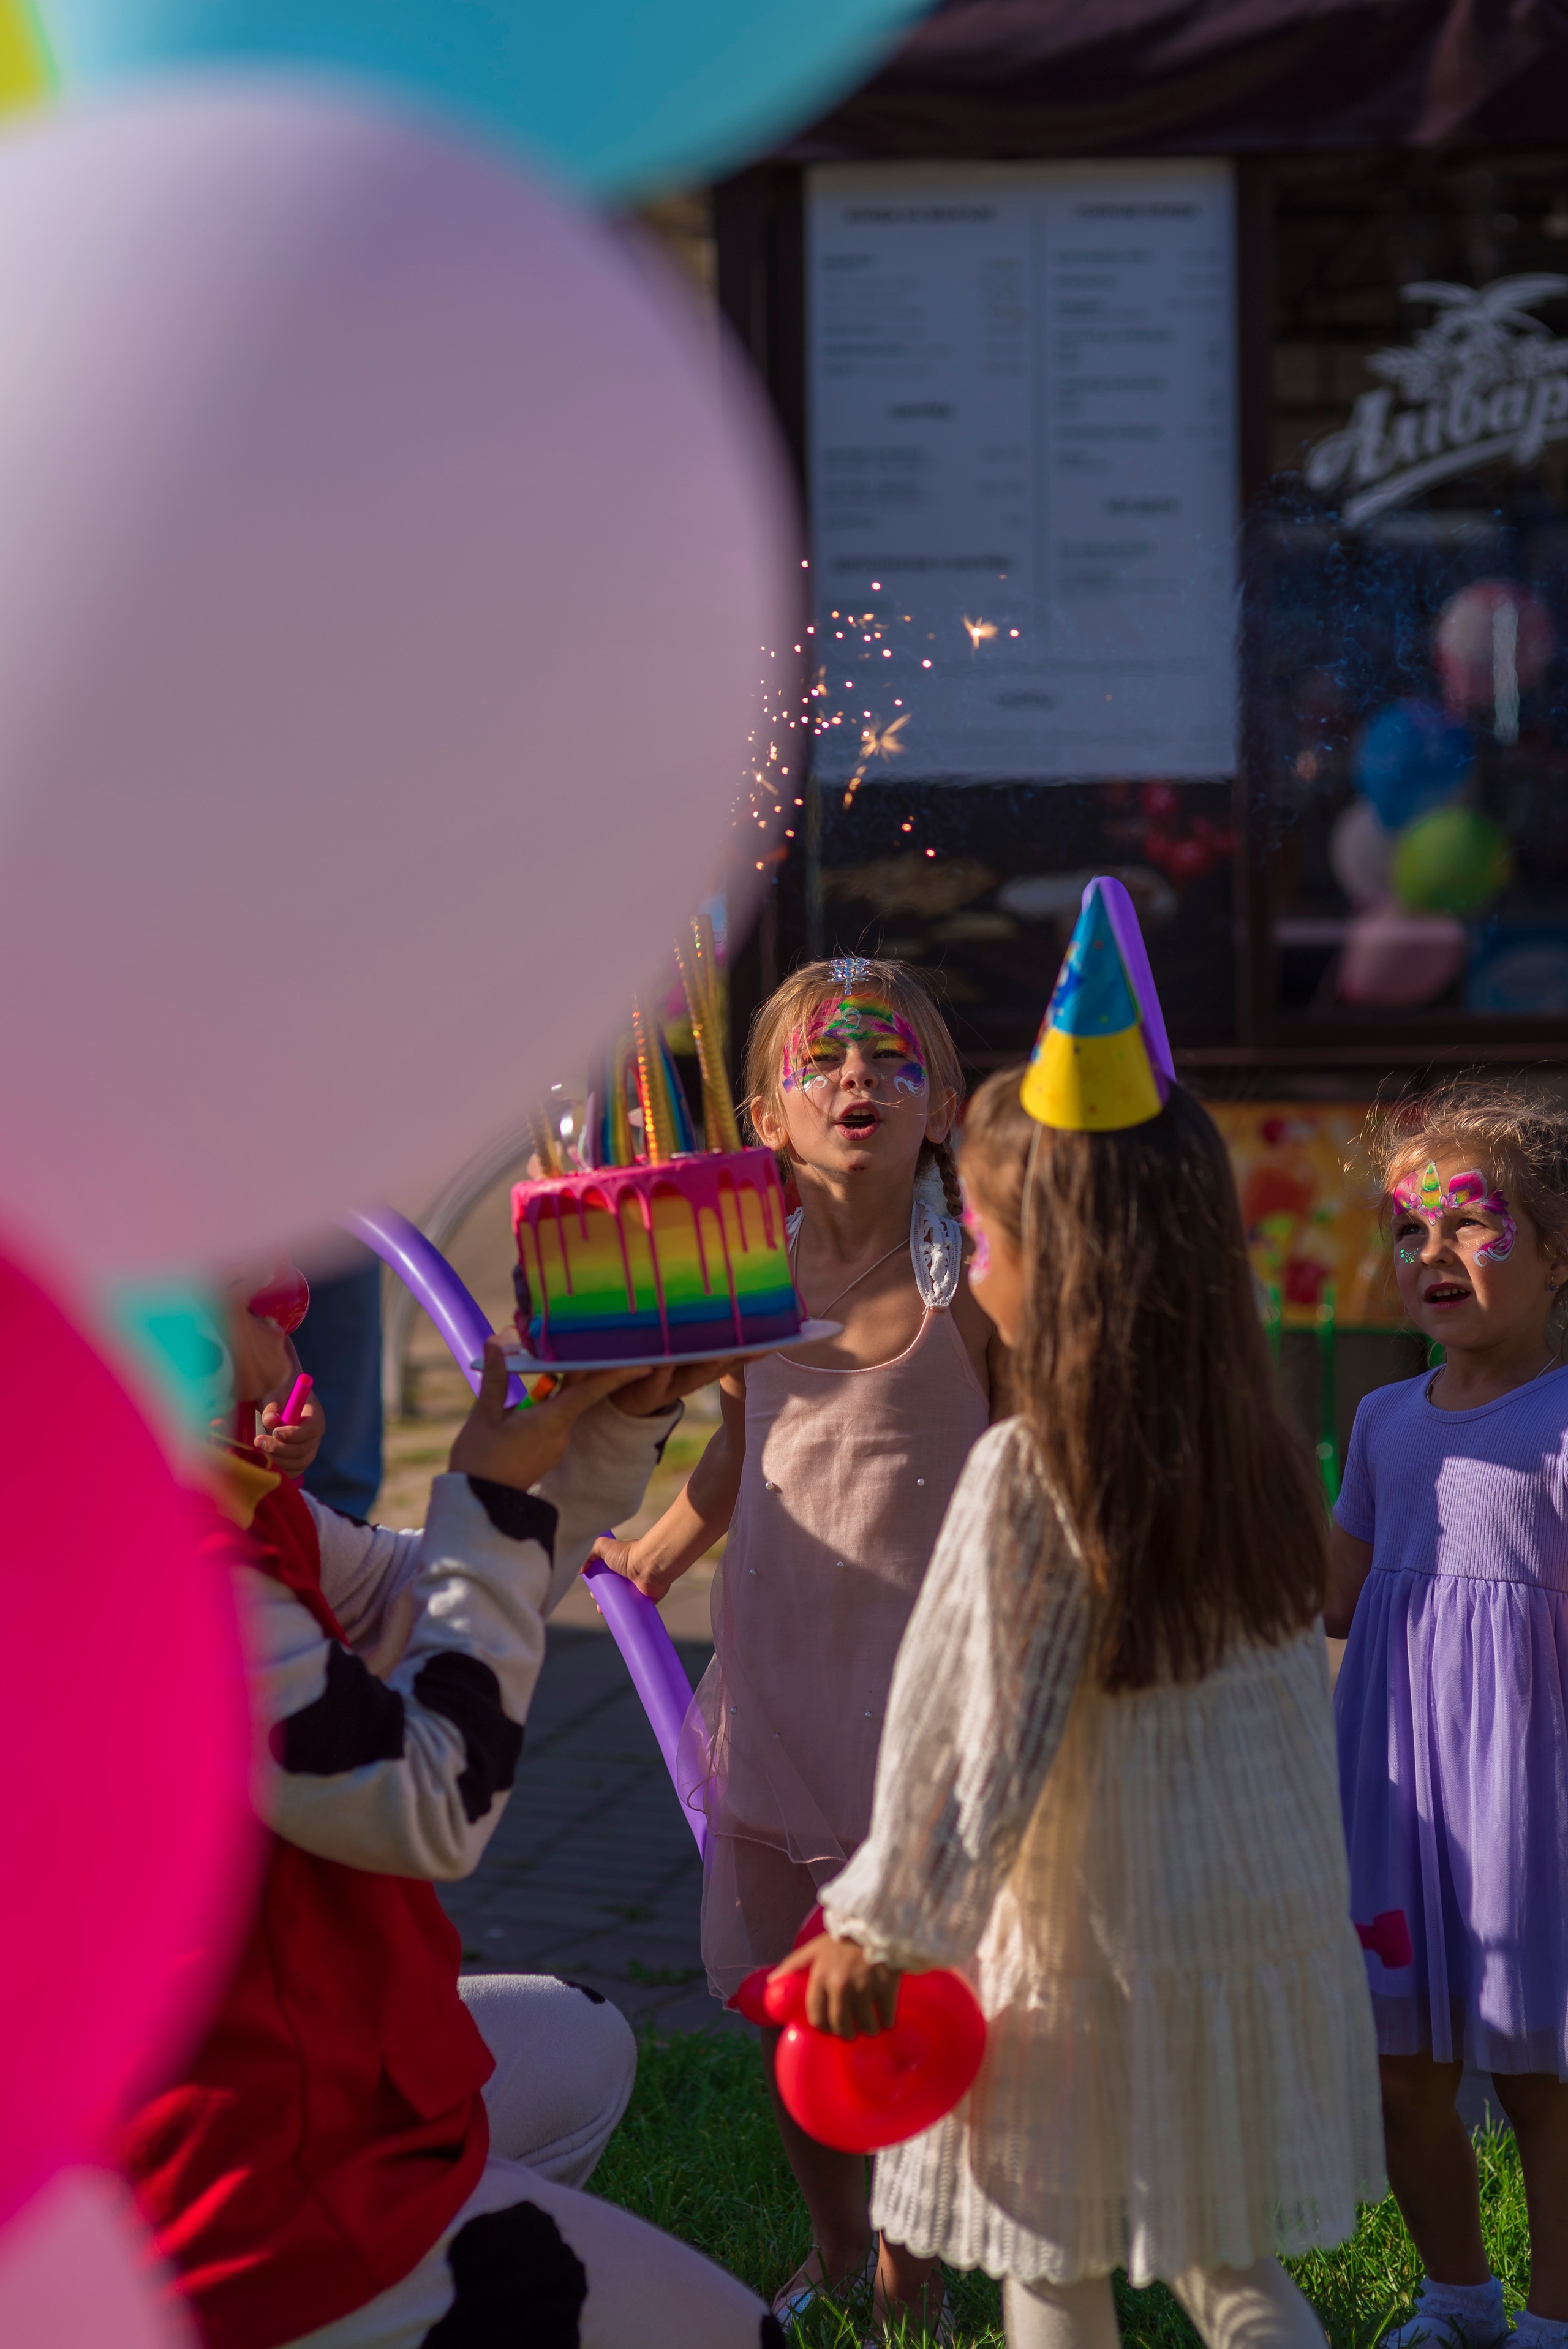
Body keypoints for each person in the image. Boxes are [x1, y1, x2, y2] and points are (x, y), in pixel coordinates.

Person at [777, 880, 1383, 2347]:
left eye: (982, 1225)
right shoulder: (1240, 1448)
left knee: (1048, 2259)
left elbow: (987, 1740)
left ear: (1059, 1249)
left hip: (1079, 1942)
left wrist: (882, 1922)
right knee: (1223, 2263)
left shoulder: (1031, 1470)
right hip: (1220, 1927)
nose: (967, 1250)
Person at [119, 1263, 781, 2349]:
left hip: (282, 2067)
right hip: (233, 2191)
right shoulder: (161, 1560)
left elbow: (414, 1597)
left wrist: (618, 1418)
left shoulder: (207, 1484)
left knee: (584, 2046)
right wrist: (487, 1490)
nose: (292, 1268)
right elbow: (425, 1801)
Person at [595, 954, 1003, 2324]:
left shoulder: (979, 1278)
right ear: (764, 1113)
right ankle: (838, 2243)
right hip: (778, 1694)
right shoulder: (740, 1275)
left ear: (939, 1100)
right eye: (821, 1060)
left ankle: (915, 2255)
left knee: (921, 1998)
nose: (854, 1080)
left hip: (931, 1707)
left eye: (890, 1060)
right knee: (795, 2000)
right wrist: (653, 1550)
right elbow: (742, 1445)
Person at [1327, 1079, 1568, 2349]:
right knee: (1394, 2069)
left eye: (1469, 1224)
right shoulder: (1377, 1419)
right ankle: (1455, 2297)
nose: (1430, 1255)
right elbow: (1329, 1596)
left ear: (1556, 1249)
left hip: (1528, 1794)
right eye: (1407, 1229)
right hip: (1394, 1788)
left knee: (1542, 2072)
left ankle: (1550, 2317)